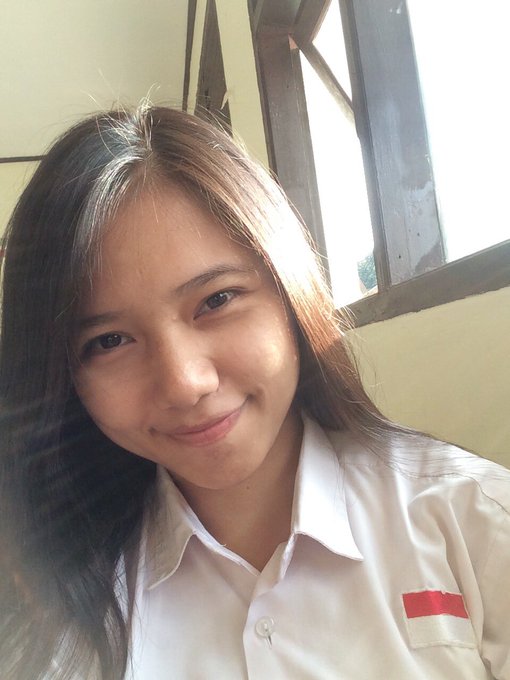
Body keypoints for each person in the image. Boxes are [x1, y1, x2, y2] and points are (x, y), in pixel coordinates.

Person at [0, 105, 508, 680]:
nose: (185, 383)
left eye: (216, 300)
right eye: (109, 341)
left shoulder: (475, 522)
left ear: (288, 290)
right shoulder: (50, 618)